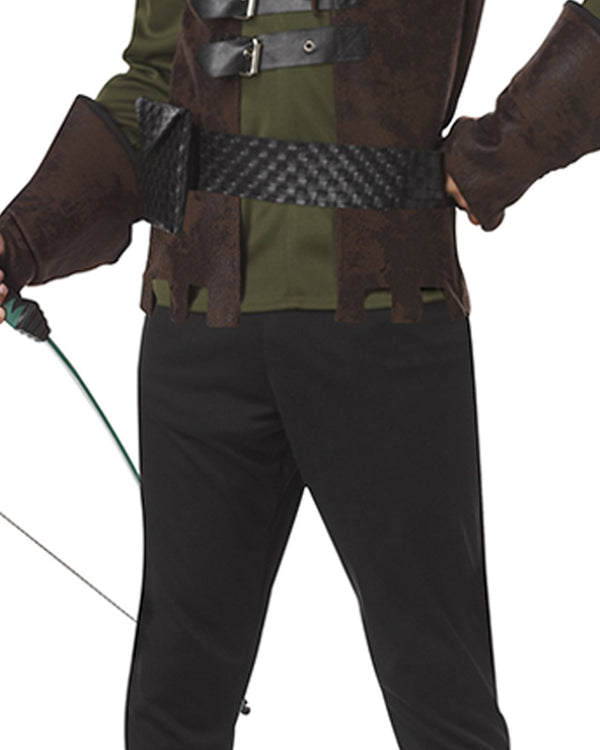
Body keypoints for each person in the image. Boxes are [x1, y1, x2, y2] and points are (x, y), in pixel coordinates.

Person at [1, 1, 600, 748]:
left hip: (384, 315)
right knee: (171, 707)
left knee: (442, 697)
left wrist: (513, 145)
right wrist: (19, 240)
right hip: (198, 319)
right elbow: (154, 82)